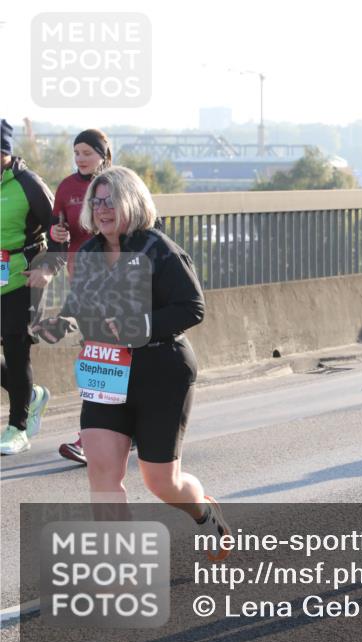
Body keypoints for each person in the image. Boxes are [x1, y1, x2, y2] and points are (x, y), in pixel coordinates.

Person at [32, 166, 231, 559]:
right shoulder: (88, 252)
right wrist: (60, 325)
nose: (102, 209)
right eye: (96, 201)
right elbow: (78, 309)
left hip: (161, 372)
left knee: (162, 483)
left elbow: (192, 308)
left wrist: (136, 326)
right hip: (106, 372)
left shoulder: (158, 248)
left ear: (132, 203)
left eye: (111, 200)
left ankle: (204, 512)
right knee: (102, 472)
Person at [49, 129, 114, 464]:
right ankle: (103, 434)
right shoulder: (66, 187)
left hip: (116, 282)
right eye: (76, 152)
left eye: (87, 152)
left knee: (106, 357)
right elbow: (56, 231)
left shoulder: (118, 184)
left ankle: (95, 437)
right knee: (97, 357)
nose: (80, 158)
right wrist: (55, 233)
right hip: (81, 283)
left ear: (103, 154)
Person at [1, 118, 59, 455]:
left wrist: (48, 268)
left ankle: (17, 428)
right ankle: (32, 395)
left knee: (15, 345)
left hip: (23, 278)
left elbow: (58, 229)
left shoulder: (28, 183)